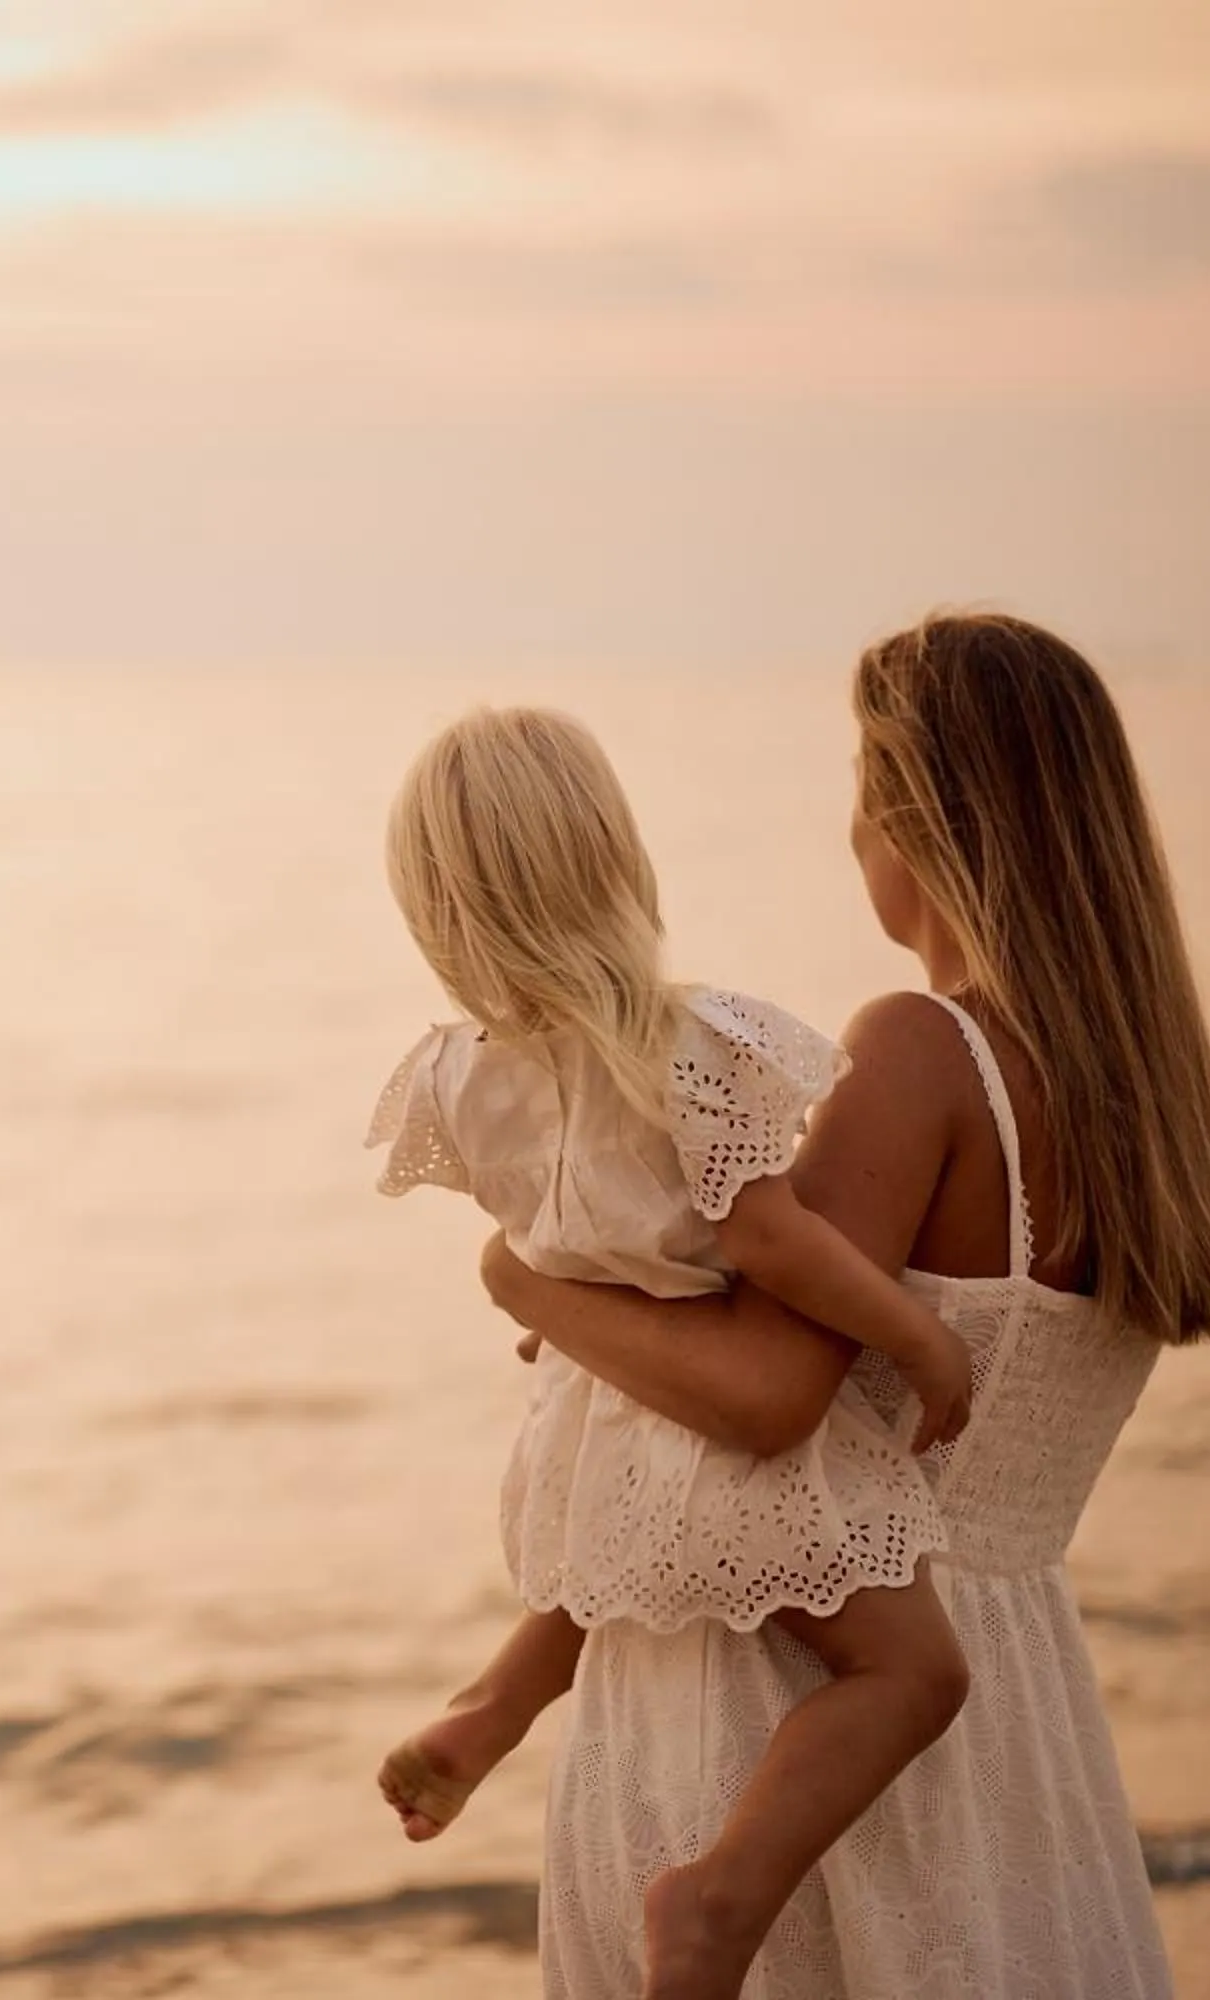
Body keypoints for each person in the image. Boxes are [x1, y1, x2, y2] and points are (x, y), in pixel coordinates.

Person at [483, 614, 1210, 1998]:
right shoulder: (1143, 1108)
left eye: (863, 781)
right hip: (1012, 1705)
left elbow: (765, 1396)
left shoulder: (921, 1052)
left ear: (909, 813)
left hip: (773, 1719)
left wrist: (525, 1276)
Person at [363, 707, 975, 2000]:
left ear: (434, 910)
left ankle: (494, 1702)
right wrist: (918, 1339)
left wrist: (549, 1306)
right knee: (914, 1670)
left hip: (595, 1428)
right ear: (615, 860)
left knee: (601, 1574)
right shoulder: (692, 1051)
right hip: (720, 1434)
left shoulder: (457, 1082)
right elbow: (770, 1246)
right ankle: (722, 1894)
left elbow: (555, 1236)